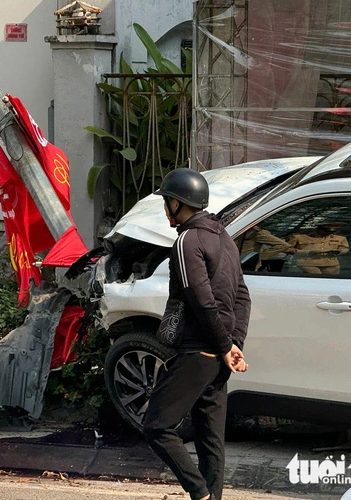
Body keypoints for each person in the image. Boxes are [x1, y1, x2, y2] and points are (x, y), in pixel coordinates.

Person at [143, 168, 251, 500]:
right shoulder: (225, 239)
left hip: (196, 351)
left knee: (157, 426)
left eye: (167, 202)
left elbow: (200, 298)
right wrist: (234, 345)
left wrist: (223, 345)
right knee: (209, 438)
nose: (165, 209)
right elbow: (243, 296)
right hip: (218, 355)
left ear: (178, 203)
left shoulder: (187, 239)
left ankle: (200, 493)